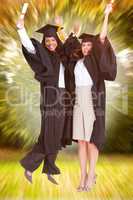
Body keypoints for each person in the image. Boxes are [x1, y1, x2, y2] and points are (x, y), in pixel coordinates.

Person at [64, 3, 117, 191]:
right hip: (79, 103)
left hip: (93, 103)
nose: (86, 47)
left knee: (93, 141)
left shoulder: (95, 60)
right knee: (82, 142)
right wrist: (70, 33)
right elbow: (65, 50)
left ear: (92, 47)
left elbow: (102, 37)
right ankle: (83, 176)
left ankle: (91, 175)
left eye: (89, 44)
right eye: (84, 44)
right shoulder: (76, 61)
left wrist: (106, 15)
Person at [16, 16, 73, 184]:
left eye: (52, 39)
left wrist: (63, 27)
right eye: (47, 40)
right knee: (49, 133)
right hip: (51, 96)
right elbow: (30, 47)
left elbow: (71, 49)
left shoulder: (63, 55)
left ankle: (49, 169)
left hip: (64, 97)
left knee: (57, 133)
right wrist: (21, 29)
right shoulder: (44, 56)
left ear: (57, 40)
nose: (50, 43)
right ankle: (29, 166)